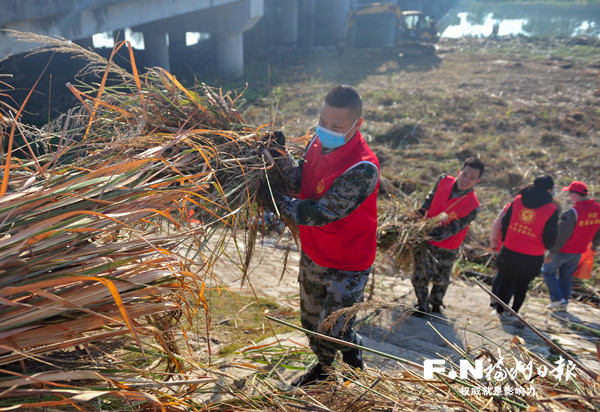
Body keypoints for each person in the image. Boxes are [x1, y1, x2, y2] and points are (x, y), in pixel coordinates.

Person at [265, 85, 380, 387]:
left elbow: (320, 212)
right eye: (323, 121)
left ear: (357, 125)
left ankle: (354, 364)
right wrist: (279, 157)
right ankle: (325, 369)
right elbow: (301, 182)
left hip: (348, 262)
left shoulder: (363, 168)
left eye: (336, 126)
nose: (325, 129)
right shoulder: (318, 142)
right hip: (315, 251)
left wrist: (274, 203)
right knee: (311, 321)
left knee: (336, 328)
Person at [412, 157, 485, 316]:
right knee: (420, 276)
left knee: (441, 279)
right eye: (464, 174)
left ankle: (436, 304)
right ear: (459, 172)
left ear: (477, 181)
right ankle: (422, 306)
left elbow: (452, 229)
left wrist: (423, 232)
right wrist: (416, 218)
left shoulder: (473, 206)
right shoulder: (443, 180)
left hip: (447, 246)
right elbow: (428, 202)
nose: (466, 180)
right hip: (424, 239)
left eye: (472, 178)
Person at [493, 175, 558, 318]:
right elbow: (550, 236)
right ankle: (514, 313)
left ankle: (499, 310)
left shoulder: (517, 200)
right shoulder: (552, 209)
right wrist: (547, 247)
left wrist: (505, 240)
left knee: (505, 280)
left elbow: (506, 222)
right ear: (549, 189)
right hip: (532, 254)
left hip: (510, 248)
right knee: (522, 285)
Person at [542, 181, 600, 310]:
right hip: (579, 252)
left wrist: (551, 253)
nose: (569, 196)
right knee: (566, 277)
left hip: (563, 250)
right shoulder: (598, 209)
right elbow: (598, 231)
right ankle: (564, 302)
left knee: (547, 271)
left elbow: (561, 236)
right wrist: (594, 246)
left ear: (575, 195)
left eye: (570, 193)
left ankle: (557, 300)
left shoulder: (572, 213)